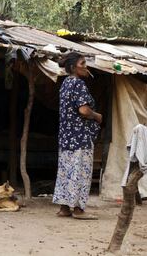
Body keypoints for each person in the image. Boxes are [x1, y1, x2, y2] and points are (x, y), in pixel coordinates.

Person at [53, 52, 102, 219]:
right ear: (73, 67)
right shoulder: (78, 84)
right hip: (80, 137)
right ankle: (78, 209)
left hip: (66, 137)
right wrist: (97, 116)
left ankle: (64, 208)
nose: (86, 67)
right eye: (83, 63)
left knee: (66, 171)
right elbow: (83, 110)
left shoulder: (65, 84)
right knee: (80, 172)